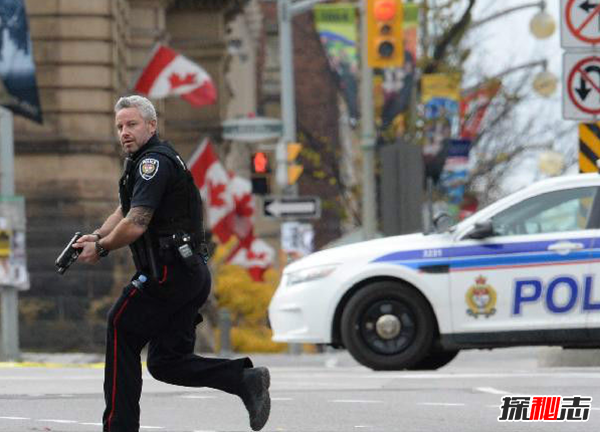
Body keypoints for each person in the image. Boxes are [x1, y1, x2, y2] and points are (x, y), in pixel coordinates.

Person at [73, 95, 270, 432]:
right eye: (120, 126)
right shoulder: (142, 163)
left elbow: (136, 223)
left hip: (168, 275)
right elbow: (125, 210)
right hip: (184, 274)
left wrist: (102, 249)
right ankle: (243, 380)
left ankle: (118, 427)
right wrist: (96, 235)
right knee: (166, 363)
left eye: (132, 124)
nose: (124, 132)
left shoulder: (154, 163)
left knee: (120, 326)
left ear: (152, 125)